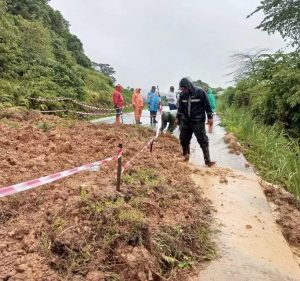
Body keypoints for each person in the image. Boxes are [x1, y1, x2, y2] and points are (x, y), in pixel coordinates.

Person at [176, 78, 216, 167]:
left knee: (203, 140)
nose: (183, 90)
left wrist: (210, 117)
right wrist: (178, 118)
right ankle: (185, 155)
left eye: (184, 88)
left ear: (189, 86)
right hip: (186, 121)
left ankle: (207, 160)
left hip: (198, 120)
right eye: (182, 89)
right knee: (183, 139)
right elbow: (180, 108)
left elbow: (207, 106)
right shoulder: (182, 95)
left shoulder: (200, 92)